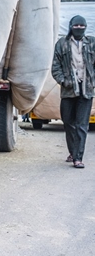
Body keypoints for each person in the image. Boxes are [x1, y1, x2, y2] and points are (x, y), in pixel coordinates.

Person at [51, 15, 95, 168]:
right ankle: (73, 151)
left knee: (82, 124)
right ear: (70, 27)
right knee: (68, 123)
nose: (79, 28)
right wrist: (63, 81)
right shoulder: (62, 44)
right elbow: (55, 67)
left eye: (81, 26)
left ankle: (78, 158)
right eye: (76, 26)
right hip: (68, 91)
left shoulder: (92, 43)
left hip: (86, 91)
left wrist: (92, 81)